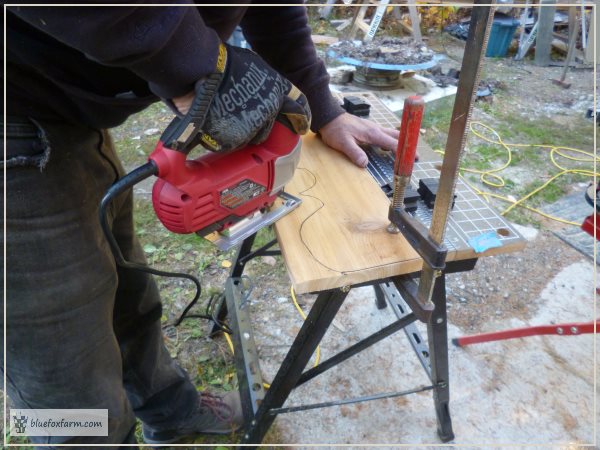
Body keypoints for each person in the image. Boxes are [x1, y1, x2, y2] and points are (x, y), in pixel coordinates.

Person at [3, 3, 400, 446]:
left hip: (67, 114)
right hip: (11, 110)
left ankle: (172, 415)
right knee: (59, 362)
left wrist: (323, 109)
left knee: (126, 290)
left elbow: (273, 10)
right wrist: (193, 62)